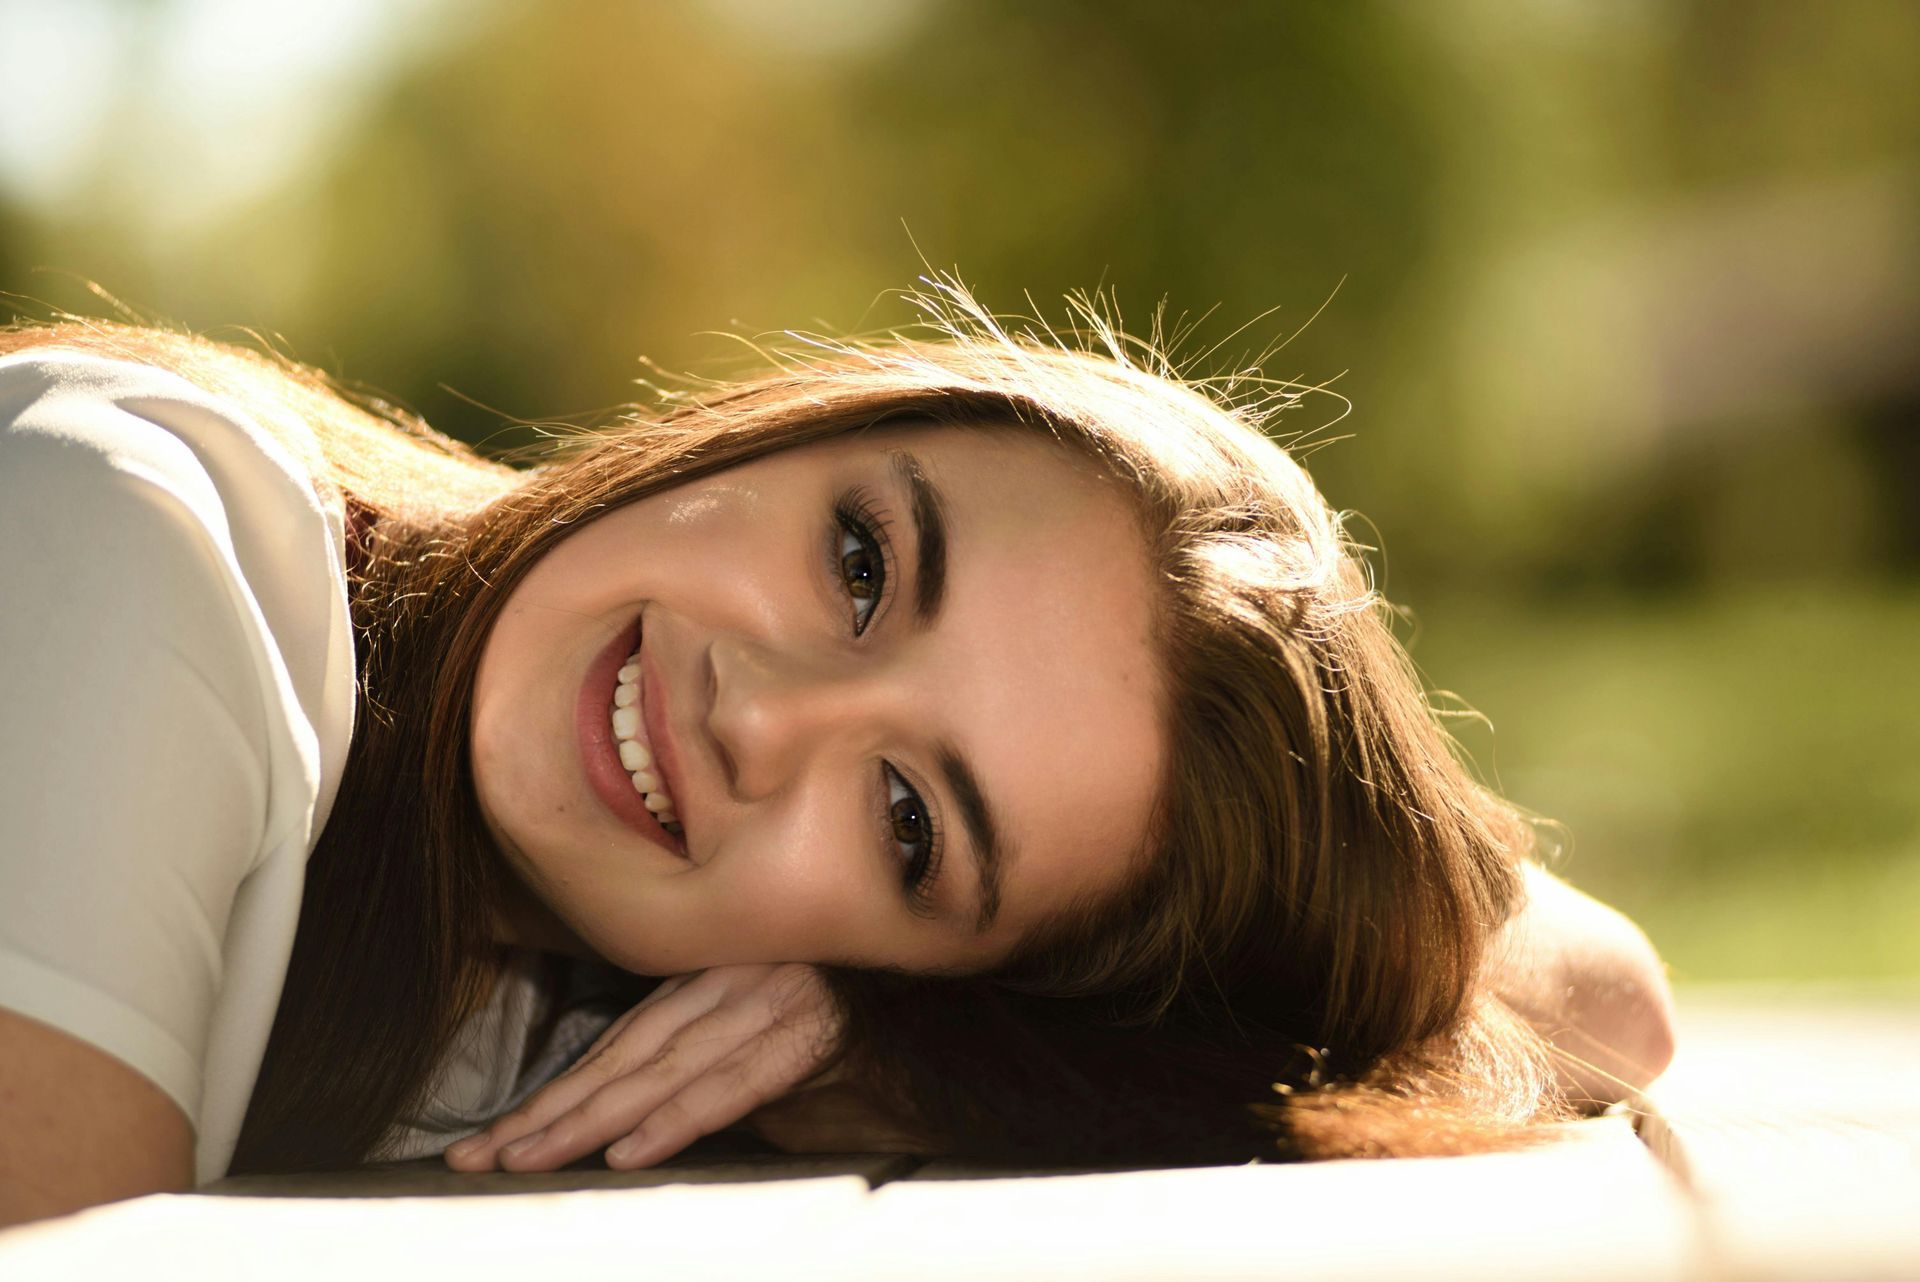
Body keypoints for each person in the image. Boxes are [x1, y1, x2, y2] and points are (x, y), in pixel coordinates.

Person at [0, 285, 1674, 1228]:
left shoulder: (609, 982)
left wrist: (924, 1043)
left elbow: (1602, 994)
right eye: (862, 563)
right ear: (792, 426)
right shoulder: (142, 547)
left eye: (906, 819)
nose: (760, 711)